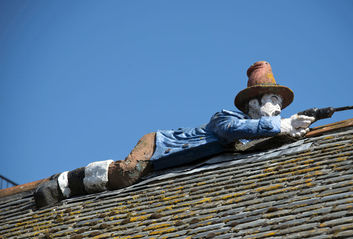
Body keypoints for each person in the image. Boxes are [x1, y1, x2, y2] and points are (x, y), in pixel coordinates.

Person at [34, 61, 314, 208]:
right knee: (128, 172)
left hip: (168, 157)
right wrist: (283, 126)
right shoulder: (225, 118)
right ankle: (60, 184)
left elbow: (259, 143)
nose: (276, 109)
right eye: (271, 101)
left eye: (279, 105)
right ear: (252, 103)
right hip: (158, 144)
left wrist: (293, 133)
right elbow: (236, 132)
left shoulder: (252, 134)